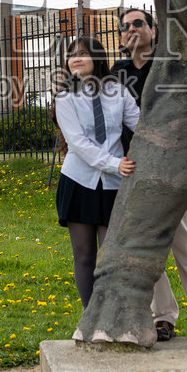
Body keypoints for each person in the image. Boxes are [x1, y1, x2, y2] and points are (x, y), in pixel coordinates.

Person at [112, 6, 187, 341]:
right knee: (149, 246)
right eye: (125, 26)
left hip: (170, 171)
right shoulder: (116, 73)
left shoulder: (170, 68)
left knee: (185, 244)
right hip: (133, 171)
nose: (131, 29)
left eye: (139, 23)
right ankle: (162, 317)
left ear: (153, 31)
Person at [53, 35, 138, 310]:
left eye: (83, 53)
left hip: (113, 184)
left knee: (112, 255)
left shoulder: (119, 92)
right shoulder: (65, 98)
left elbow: (140, 124)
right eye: (72, 54)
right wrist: (115, 164)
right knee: (85, 254)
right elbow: (77, 143)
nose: (76, 58)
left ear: (98, 58)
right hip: (79, 182)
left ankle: (114, 313)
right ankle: (90, 316)